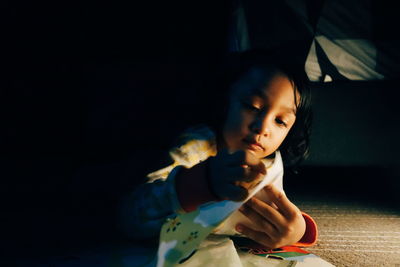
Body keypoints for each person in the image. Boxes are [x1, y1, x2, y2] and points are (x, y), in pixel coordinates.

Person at [118, 49, 317, 250]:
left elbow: (272, 219)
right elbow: (131, 216)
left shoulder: (268, 164)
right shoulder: (196, 147)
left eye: (280, 121)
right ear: (225, 101)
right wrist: (201, 184)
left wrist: (296, 231)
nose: (263, 128)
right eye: (252, 106)